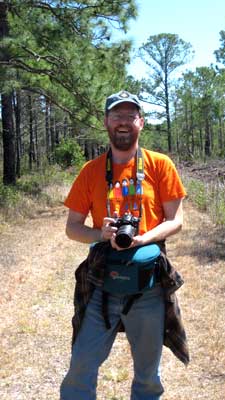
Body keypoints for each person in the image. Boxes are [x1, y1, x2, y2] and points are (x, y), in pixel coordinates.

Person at [60, 90, 189, 400]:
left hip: (148, 284)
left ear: (140, 123)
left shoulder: (160, 165)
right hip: (102, 282)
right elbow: (72, 228)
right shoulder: (90, 171)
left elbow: (177, 220)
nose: (122, 122)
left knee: (147, 376)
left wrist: (145, 237)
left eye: (129, 116)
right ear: (106, 121)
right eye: (116, 115)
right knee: (80, 367)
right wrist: (99, 234)